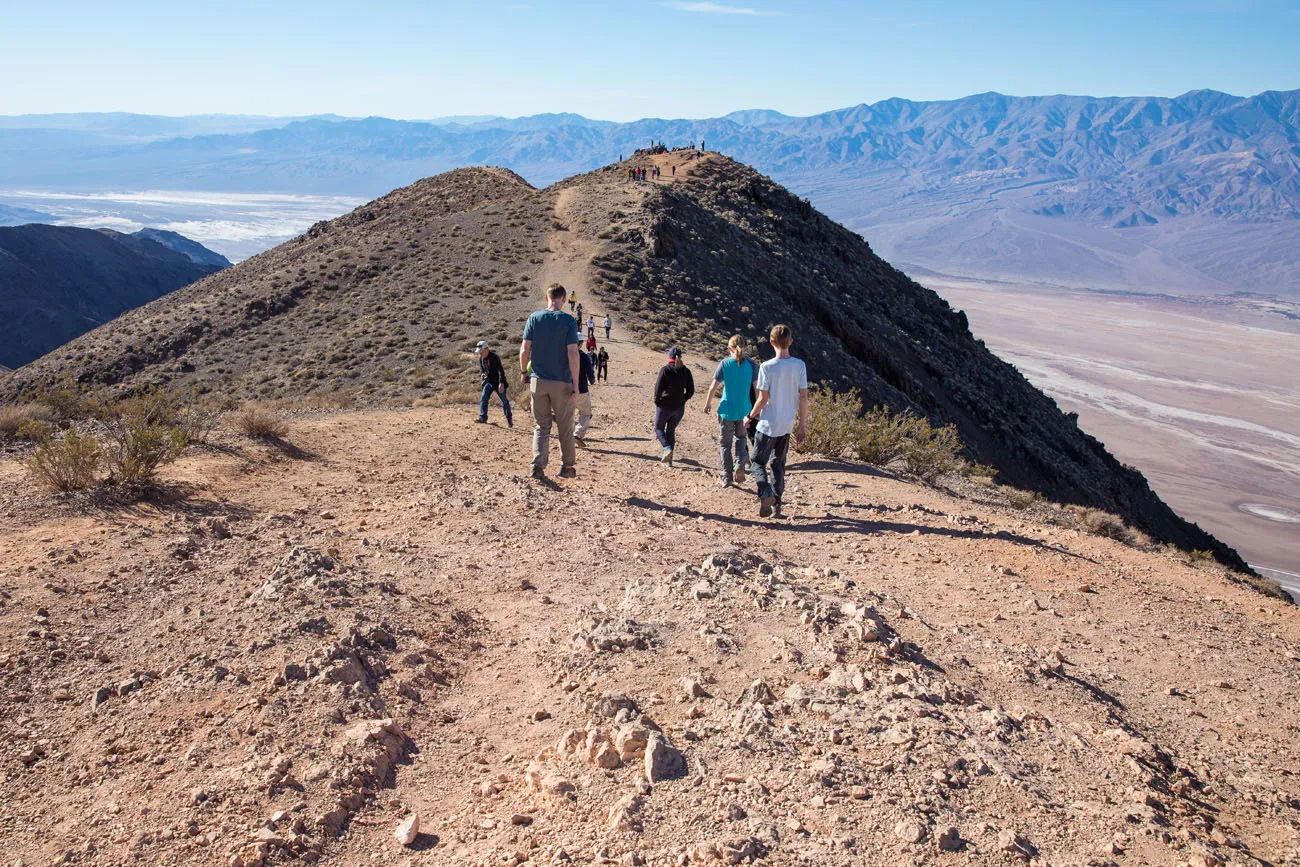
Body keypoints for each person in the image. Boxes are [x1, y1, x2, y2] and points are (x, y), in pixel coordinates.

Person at [744, 325, 808, 518]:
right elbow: (803, 397)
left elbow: (762, 399)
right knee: (778, 463)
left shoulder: (767, 367)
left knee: (757, 461)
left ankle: (765, 493)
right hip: (787, 423)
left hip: (768, 423)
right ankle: (776, 504)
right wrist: (802, 425)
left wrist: (750, 416)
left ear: (771, 342)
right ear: (791, 341)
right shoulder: (799, 365)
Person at [521, 284, 581, 480]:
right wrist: (576, 384)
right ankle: (567, 467)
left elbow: (524, 349)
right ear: (564, 299)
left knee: (541, 425)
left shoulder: (534, 318)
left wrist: (523, 372)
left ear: (547, 298)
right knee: (565, 426)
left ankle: (537, 466)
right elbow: (573, 353)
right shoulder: (569, 321)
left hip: (538, 380)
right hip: (562, 382)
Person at [703, 335, 758, 487]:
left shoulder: (724, 364)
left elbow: (713, 387)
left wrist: (707, 403)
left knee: (725, 444)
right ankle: (740, 464)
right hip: (745, 410)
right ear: (746, 348)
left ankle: (727, 476)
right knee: (741, 438)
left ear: (729, 349)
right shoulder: (752, 365)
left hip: (726, 410)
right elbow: (756, 388)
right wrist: (756, 409)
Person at [652, 346, 694, 466]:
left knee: (658, 428)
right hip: (679, 408)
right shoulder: (686, 371)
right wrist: (683, 400)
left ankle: (666, 449)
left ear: (669, 356)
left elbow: (658, 388)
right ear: (681, 357)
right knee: (670, 430)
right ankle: (669, 461)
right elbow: (691, 390)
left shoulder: (665, 370)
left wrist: (657, 401)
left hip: (665, 405)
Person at [475, 340, 513, 427]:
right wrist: (482, 375)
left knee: (504, 401)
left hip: (498, 382)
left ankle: (509, 420)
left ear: (486, 349)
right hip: (489, 382)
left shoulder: (495, 357)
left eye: (481, 352)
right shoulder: (481, 358)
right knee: (484, 398)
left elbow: (501, 371)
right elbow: (482, 370)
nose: (480, 354)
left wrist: (501, 383)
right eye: (479, 352)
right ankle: (483, 417)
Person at [575, 347, 596, 448]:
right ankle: (577, 434)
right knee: (586, 413)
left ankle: (565, 436)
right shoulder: (583, 356)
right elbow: (589, 371)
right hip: (581, 389)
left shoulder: (562, 353)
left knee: (566, 414)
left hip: (564, 389)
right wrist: (592, 380)